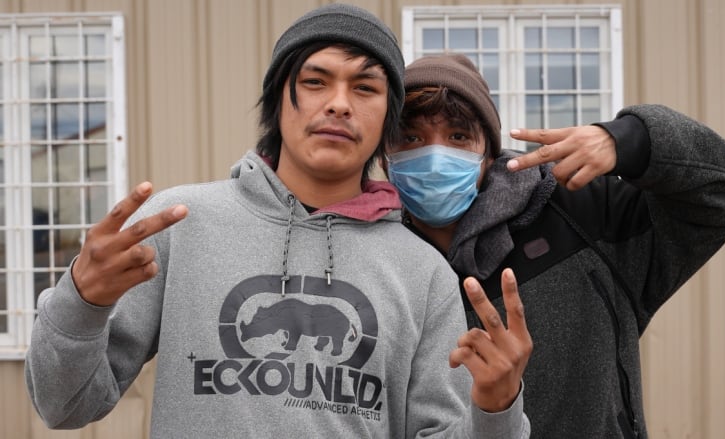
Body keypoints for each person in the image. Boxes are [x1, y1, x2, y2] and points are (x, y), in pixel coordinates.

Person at [24, 6, 533, 438]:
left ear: (387, 118)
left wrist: (495, 410)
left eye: (365, 88)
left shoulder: (424, 275)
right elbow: (63, 405)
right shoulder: (177, 224)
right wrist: (81, 302)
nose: (338, 103)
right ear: (276, 100)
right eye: (314, 81)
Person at [384, 53, 725, 439]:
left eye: (458, 137)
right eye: (411, 137)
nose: (435, 155)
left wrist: (630, 140)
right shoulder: (375, 259)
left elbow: (724, 196)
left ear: (488, 154)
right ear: (385, 155)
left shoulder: (585, 212)